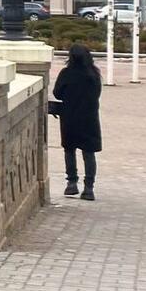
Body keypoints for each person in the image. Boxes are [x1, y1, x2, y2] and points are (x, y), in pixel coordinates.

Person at [52, 43, 103, 200]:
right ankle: (89, 187)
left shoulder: (67, 73)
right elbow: (97, 94)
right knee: (89, 153)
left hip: (70, 117)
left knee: (69, 150)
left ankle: (71, 183)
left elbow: (57, 93)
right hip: (89, 118)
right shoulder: (94, 74)